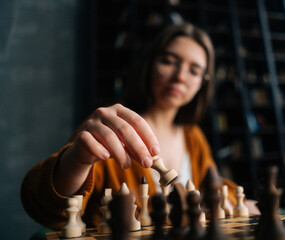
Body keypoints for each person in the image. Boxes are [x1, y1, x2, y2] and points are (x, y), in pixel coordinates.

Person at [21, 22, 258, 230]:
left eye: (194, 70)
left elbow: (214, 185)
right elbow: (44, 208)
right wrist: (78, 159)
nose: (180, 76)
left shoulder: (193, 136)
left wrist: (232, 199)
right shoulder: (110, 128)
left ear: (203, 83)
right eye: (168, 61)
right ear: (150, 65)